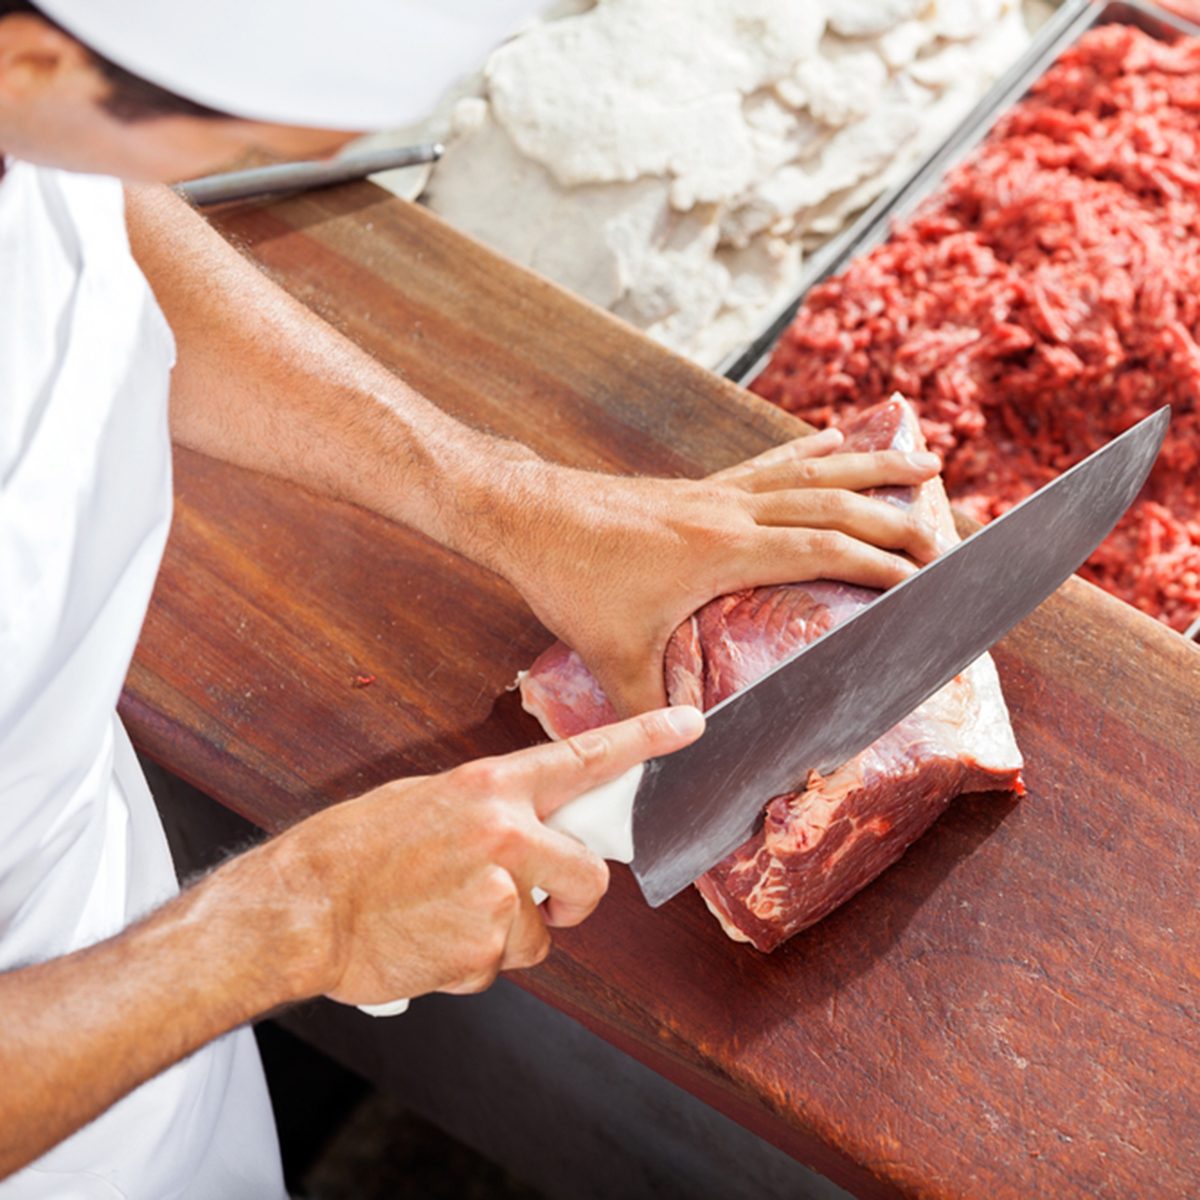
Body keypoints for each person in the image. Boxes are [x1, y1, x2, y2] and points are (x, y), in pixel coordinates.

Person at [0, 1, 946, 1195]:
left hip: (116, 946)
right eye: (240, 154)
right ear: (33, 62)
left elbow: (86, 205)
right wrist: (293, 922)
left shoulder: (40, 103)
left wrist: (509, 500)